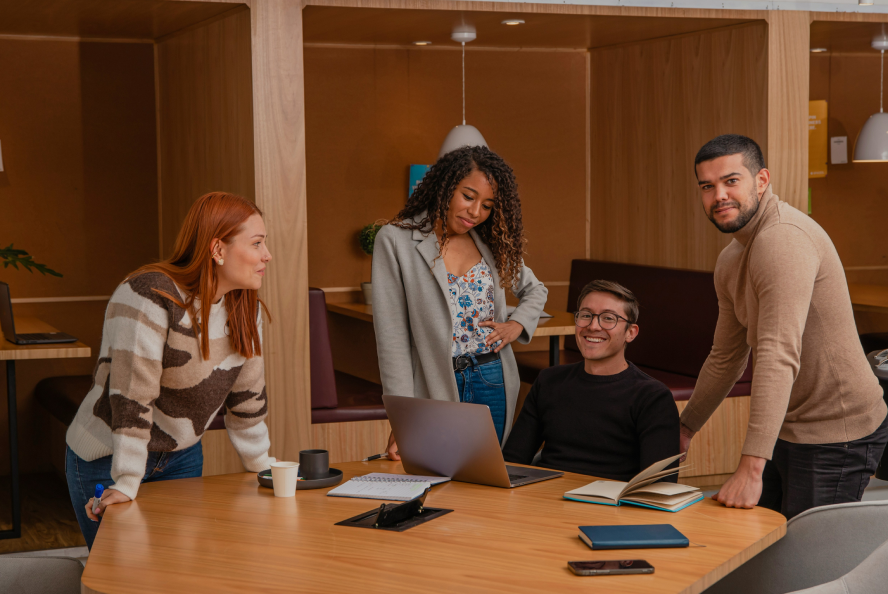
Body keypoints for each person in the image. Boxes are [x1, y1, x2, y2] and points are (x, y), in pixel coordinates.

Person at [65, 191, 274, 594]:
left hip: (180, 458)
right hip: (106, 455)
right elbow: (131, 396)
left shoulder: (245, 307)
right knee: (118, 590)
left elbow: (247, 399)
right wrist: (126, 480)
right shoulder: (148, 294)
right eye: (257, 243)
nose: (266, 255)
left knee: (159, 588)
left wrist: (264, 467)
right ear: (218, 248)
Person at [680, 134, 888, 519]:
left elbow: (777, 354)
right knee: (764, 550)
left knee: (809, 561)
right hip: (787, 426)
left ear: (761, 181)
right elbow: (726, 357)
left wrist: (750, 465)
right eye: (707, 186)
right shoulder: (731, 258)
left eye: (731, 181)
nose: (719, 195)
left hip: (835, 432)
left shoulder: (783, 240)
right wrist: (686, 427)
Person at [372, 145, 548, 457]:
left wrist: (516, 324)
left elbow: (536, 290)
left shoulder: (492, 243)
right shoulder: (395, 240)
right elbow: (392, 339)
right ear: (445, 187)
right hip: (433, 381)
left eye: (487, 205)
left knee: (487, 480)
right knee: (441, 478)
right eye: (468, 196)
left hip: (492, 378)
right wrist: (401, 419)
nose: (476, 212)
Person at [503, 280, 680, 480]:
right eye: (586, 315)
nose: (593, 326)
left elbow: (660, 486)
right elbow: (513, 462)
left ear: (630, 333)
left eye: (608, 318)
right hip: (544, 500)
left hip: (612, 506)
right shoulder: (549, 381)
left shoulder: (653, 398)